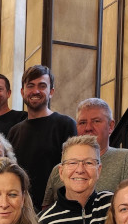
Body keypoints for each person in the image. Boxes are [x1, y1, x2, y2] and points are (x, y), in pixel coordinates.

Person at [42, 98, 128, 207]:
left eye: (96, 121)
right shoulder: (59, 169)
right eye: (82, 122)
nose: (88, 128)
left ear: (110, 126)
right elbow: (47, 212)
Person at [7, 65, 76, 211]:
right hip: (20, 211)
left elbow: (73, 169)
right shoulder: (14, 132)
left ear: (51, 92)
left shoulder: (65, 125)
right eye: (30, 86)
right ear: (22, 92)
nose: (35, 91)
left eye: (42, 86)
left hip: (57, 210)